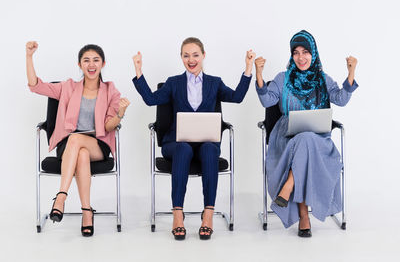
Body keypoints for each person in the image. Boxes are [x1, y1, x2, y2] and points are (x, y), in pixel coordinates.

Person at [132, 37, 255, 240]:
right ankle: (177, 215)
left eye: (195, 55)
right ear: (181, 57)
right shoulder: (174, 83)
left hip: (207, 141)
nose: (191, 59)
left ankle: (208, 214)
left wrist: (248, 67)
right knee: (183, 149)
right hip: (176, 143)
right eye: (186, 55)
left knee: (209, 149)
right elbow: (151, 99)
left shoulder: (214, 83)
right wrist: (138, 70)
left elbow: (237, 97)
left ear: (203, 56)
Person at [255, 30, 358, 237]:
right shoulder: (282, 78)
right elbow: (267, 101)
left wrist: (351, 73)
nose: (301, 57)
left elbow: (341, 99)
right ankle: (303, 216)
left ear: (314, 53)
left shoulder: (323, 79)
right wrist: (258, 74)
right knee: (304, 139)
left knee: (307, 138)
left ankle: (293, 196)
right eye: (296, 53)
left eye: (305, 52)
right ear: (291, 55)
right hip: (286, 138)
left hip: (319, 139)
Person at [26, 42, 130, 237]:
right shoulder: (67, 87)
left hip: (97, 144)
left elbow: (109, 126)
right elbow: (35, 86)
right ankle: (86, 212)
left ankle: (61, 197)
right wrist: (29, 57)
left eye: (96, 60)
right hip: (70, 146)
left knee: (77, 141)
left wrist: (120, 113)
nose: (91, 64)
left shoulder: (111, 91)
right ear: (80, 65)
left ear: (103, 63)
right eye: (86, 60)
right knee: (79, 149)